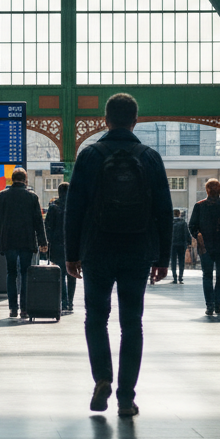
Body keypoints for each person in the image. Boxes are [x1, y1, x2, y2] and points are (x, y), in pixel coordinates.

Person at [65, 93, 172, 417]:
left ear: (106, 120)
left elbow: (75, 209)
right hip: (137, 250)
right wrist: (163, 258)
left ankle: (102, 378)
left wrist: (72, 254)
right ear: (135, 120)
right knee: (131, 323)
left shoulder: (90, 156)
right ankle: (126, 397)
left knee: (96, 318)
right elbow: (164, 211)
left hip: (97, 249)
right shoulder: (150, 157)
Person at [0, 168, 48, 318]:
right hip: (26, 241)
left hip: (8, 240)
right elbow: (38, 222)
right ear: (25, 180)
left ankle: (12, 308)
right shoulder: (32, 197)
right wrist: (43, 241)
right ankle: (25, 309)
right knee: (25, 273)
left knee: (11, 273)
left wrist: (0, 227)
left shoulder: (2, 196)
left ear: (12, 179)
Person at [188, 180, 220, 316]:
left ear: (207, 190)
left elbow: (192, 226)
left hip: (205, 247)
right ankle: (217, 303)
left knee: (207, 275)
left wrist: (198, 235)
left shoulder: (199, 206)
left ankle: (209, 305)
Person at [44, 182, 77, 312]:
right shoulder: (74, 207)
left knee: (61, 273)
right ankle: (71, 302)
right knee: (73, 274)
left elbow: (48, 227)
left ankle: (63, 302)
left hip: (57, 245)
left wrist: (47, 244)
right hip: (72, 245)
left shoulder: (54, 207)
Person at [169, 209, 191, 284]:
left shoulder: (170, 223)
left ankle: (174, 278)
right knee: (181, 261)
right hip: (182, 244)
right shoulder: (183, 223)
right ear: (179, 214)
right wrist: (189, 242)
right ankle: (180, 277)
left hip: (172, 244)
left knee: (173, 261)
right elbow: (187, 233)